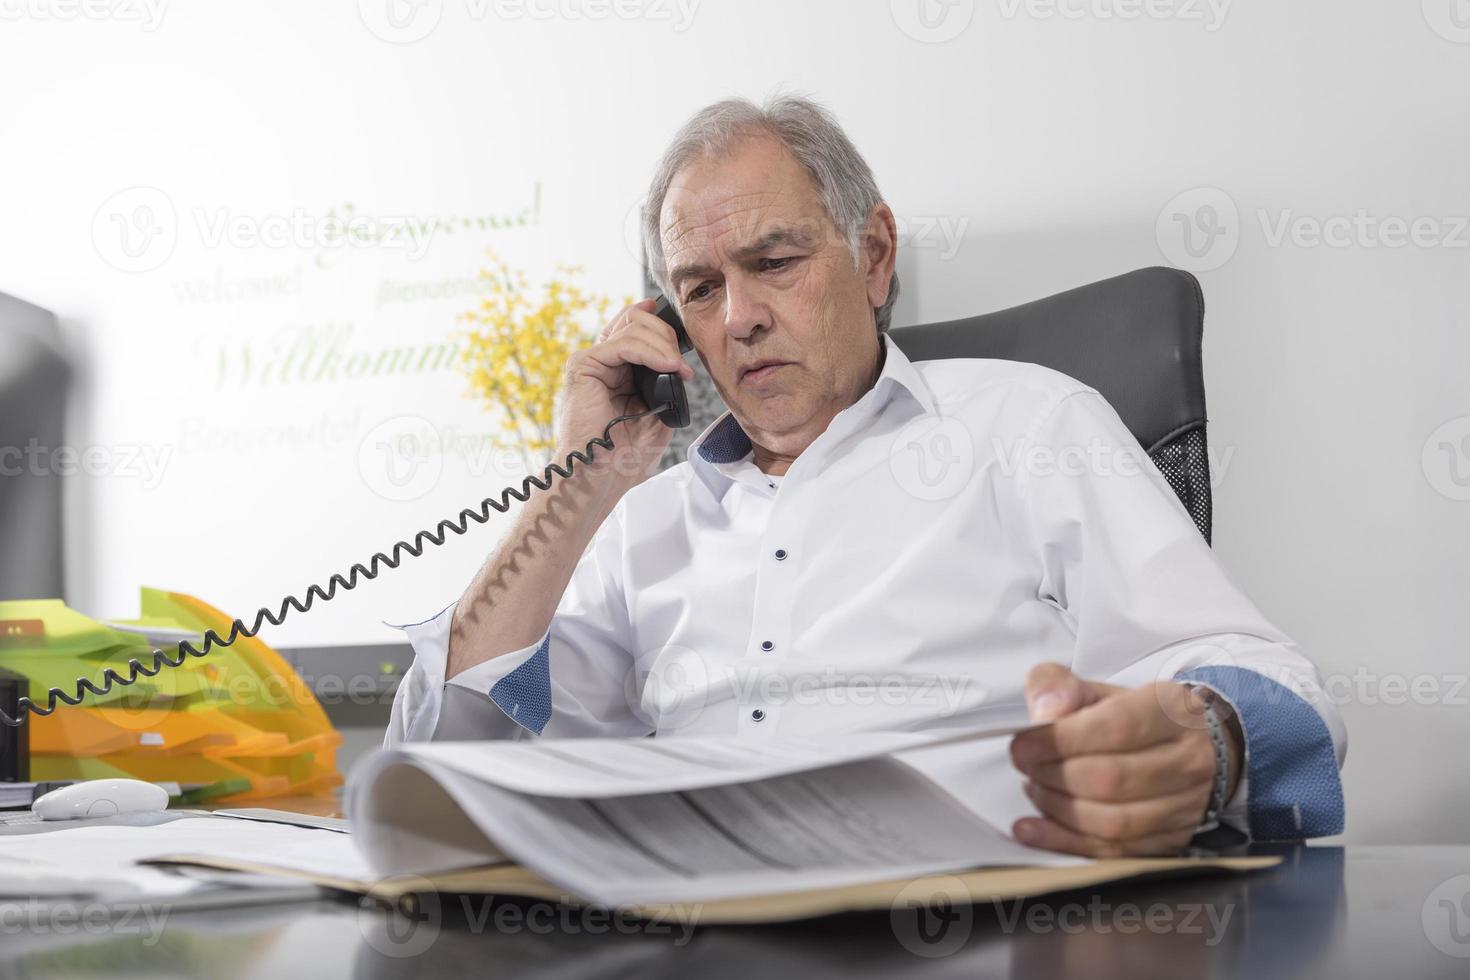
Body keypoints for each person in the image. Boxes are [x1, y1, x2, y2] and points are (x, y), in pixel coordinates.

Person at [386, 95, 1345, 857]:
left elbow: (1268, 675)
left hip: (978, 927)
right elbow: (441, 763)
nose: (740, 319)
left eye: (774, 262)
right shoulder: (641, 523)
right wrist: (570, 491)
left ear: (873, 255)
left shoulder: (1024, 424)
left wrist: (1205, 743)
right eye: (701, 289)